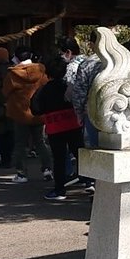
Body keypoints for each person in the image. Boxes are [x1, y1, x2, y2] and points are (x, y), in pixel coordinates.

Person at [31, 53, 84, 201]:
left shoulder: (44, 90)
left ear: (47, 72)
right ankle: (89, 181)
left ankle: (60, 189)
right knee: (81, 154)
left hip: (55, 126)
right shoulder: (69, 86)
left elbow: (36, 109)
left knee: (59, 159)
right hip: (73, 124)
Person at [2, 49, 51, 184]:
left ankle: (21, 173)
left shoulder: (12, 74)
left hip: (20, 113)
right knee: (40, 142)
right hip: (38, 112)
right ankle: (47, 169)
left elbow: (5, 92)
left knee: (20, 144)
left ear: (16, 58)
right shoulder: (41, 71)